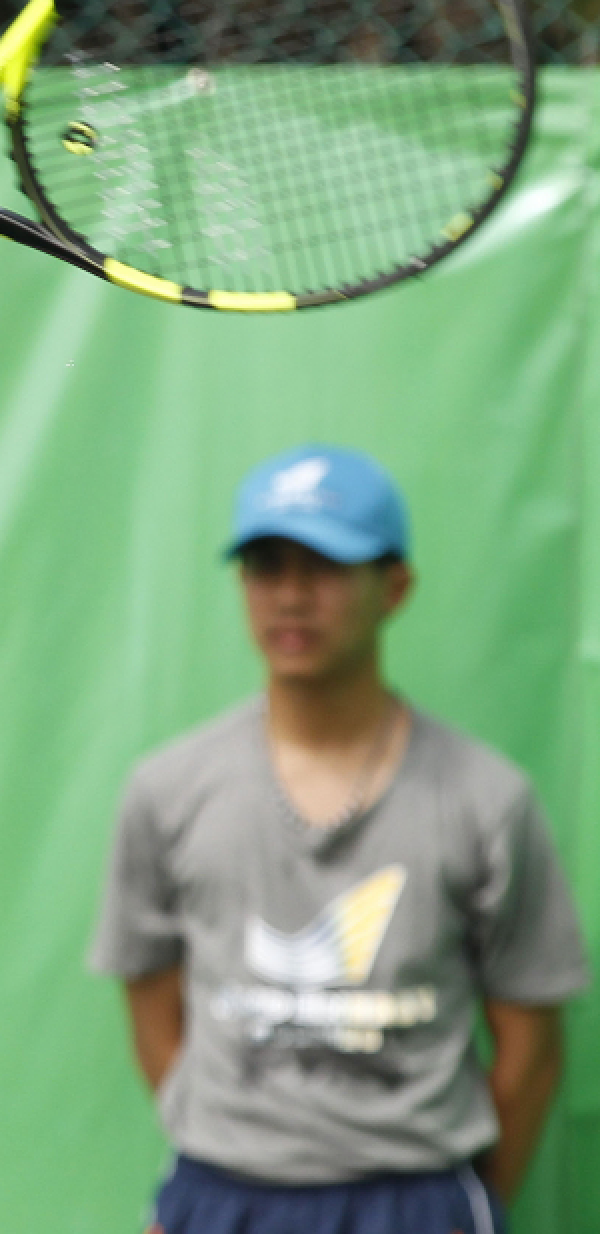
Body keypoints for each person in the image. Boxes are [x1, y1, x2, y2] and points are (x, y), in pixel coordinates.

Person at [91, 444, 588, 1234]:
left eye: (323, 566)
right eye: (265, 565)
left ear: (394, 587)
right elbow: (151, 1002)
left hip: (416, 1199)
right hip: (218, 1197)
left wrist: (455, 1205)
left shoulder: (487, 800)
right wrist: (242, 1146)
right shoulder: (169, 789)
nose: (290, 597)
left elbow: (531, 1052)